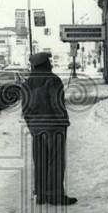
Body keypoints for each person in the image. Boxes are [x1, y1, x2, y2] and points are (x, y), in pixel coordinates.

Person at [22, 51, 76, 205]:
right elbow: (56, 104)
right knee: (55, 161)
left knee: (40, 161)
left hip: (37, 129)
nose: (51, 64)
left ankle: (41, 195)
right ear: (45, 64)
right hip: (54, 127)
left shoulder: (27, 83)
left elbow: (25, 110)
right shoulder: (52, 80)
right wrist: (63, 122)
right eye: (49, 62)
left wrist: (32, 127)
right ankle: (56, 196)